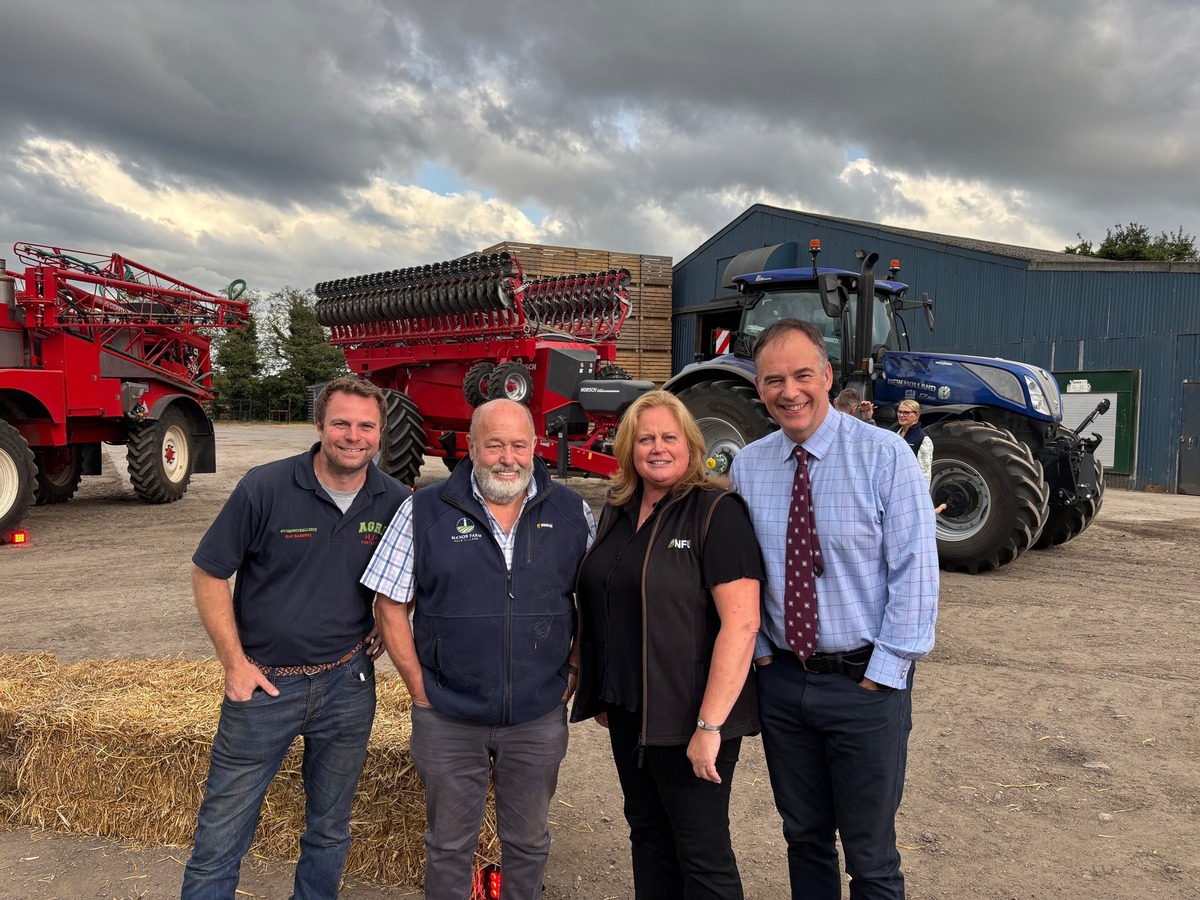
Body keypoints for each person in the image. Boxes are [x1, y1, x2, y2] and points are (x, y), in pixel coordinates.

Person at [729, 319, 939, 900]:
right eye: (774, 380)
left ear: (826, 376)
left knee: (871, 856)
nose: (789, 391)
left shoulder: (884, 456)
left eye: (802, 375)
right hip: (785, 686)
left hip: (863, 684)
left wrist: (885, 671)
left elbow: (916, 571)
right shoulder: (748, 467)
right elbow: (744, 572)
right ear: (760, 388)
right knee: (805, 839)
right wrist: (765, 657)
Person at [182, 377, 409, 900]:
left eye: (366, 426)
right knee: (221, 838)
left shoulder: (397, 500)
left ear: (381, 432)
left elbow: (409, 574)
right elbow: (209, 573)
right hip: (263, 689)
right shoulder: (265, 487)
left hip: (348, 687)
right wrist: (234, 664)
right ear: (319, 426)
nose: (353, 436)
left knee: (329, 829)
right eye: (341, 423)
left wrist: (387, 613)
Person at [362, 398, 595, 900]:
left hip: (537, 714)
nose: (507, 458)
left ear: (535, 448)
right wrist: (419, 687)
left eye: (518, 445)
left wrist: (574, 670)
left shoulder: (572, 511)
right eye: (494, 445)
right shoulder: (424, 509)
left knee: (529, 841)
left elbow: (598, 602)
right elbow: (389, 601)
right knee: (448, 844)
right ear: (471, 446)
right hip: (447, 716)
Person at [572, 390, 763, 899]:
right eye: (645, 438)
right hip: (631, 711)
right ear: (628, 449)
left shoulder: (716, 511)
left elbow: (742, 625)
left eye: (669, 437)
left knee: (702, 855)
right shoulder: (618, 509)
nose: (657, 448)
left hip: (691, 718)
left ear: (691, 444)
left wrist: (710, 726)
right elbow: (605, 595)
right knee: (649, 838)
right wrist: (605, 689)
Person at [895, 399, 933, 485]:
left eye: (906, 413)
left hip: (909, 486)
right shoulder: (894, 433)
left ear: (916, 415)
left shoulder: (923, 439)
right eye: (899, 412)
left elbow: (925, 473)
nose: (901, 415)